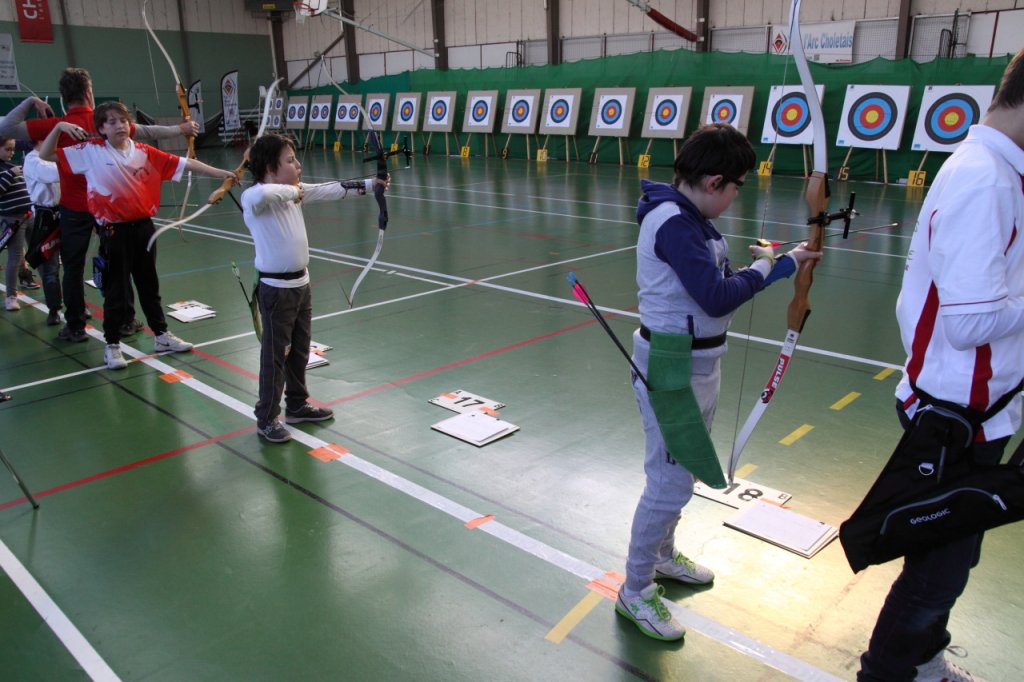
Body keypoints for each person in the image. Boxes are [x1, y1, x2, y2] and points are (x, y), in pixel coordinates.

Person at [616, 123, 822, 641]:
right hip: (672, 368)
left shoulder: (692, 219)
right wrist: (772, 268)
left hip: (698, 363)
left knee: (679, 473)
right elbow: (714, 296)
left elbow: (714, 280)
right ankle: (635, 589)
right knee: (669, 483)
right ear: (713, 182)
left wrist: (777, 262)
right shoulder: (673, 222)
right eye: (735, 187)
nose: (734, 197)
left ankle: (662, 557)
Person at [857, 49, 1024, 682]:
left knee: (951, 558)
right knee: (936, 573)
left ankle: (923, 662)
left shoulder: (996, 172)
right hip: (955, 416)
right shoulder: (986, 181)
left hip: (977, 409)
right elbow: (970, 322)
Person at [0, 68, 197, 343]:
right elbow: (148, 131)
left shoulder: (58, 124)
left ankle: (76, 325)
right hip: (108, 208)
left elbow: (5, 128)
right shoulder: (104, 122)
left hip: (75, 209)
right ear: (89, 92)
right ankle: (126, 320)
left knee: (73, 267)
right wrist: (181, 129)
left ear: (63, 97)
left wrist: (31, 102)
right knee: (120, 264)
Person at [40, 102, 234, 370]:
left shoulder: (144, 152)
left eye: (123, 120)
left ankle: (162, 335)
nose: (119, 125)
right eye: (111, 122)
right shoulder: (90, 152)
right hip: (113, 231)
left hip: (144, 229)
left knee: (149, 285)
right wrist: (60, 127)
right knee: (116, 291)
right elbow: (46, 153)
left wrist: (222, 173)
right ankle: (112, 345)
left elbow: (185, 162)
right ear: (101, 128)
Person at [241, 133, 386, 443]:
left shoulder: (294, 192)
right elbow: (261, 195)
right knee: (274, 356)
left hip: (301, 285)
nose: (298, 165)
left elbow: (331, 189)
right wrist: (294, 191)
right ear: (270, 167)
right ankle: (266, 417)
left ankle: (296, 405)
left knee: (300, 351)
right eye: (290, 160)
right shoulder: (254, 197)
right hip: (275, 290)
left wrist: (372, 184)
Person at [23, 138, 64, 325]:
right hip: (45, 217)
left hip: (65, 213)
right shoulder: (32, 159)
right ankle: (54, 309)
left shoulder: (56, 156)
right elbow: (53, 174)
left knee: (73, 264)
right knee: (50, 267)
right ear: (40, 140)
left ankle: (77, 306)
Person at [0, 136, 32, 312]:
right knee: (15, 257)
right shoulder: (9, 170)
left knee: (41, 252)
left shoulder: (12, 166)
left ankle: (50, 290)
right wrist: (10, 174)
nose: (12, 152)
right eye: (7, 149)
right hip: (12, 219)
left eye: (13, 149)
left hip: (29, 214)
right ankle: (11, 296)